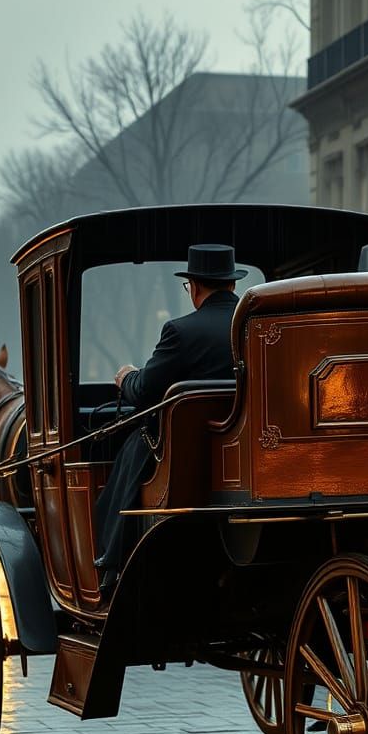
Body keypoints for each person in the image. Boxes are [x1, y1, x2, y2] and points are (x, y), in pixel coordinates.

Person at [93, 243, 242, 588]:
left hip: (186, 457)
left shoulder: (181, 331)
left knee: (133, 450)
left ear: (195, 287)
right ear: (233, 284)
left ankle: (113, 561)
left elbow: (145, 391)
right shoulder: (256, 326)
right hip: (243, 457)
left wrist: (126, 377)